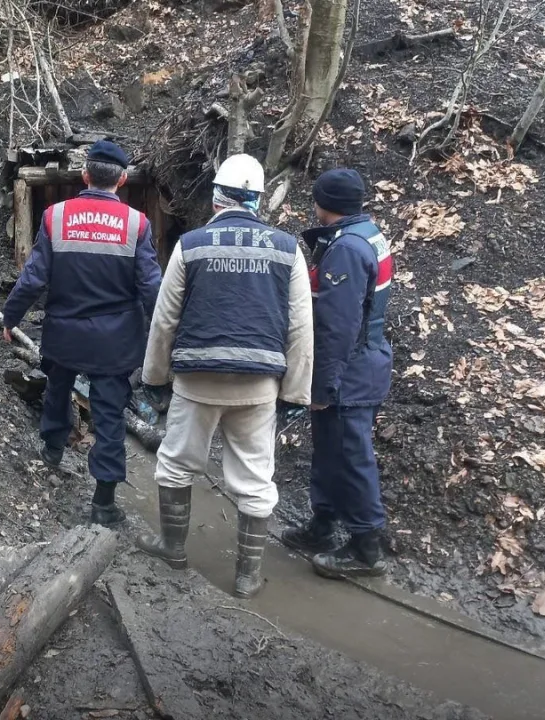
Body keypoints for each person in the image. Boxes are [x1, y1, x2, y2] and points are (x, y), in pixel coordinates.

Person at [134, 154, 313, 598]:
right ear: (258, 200)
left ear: (217, 198)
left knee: (175, 464)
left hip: (197, 382)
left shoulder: (191, 245)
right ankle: (248, 577)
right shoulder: (287, 249)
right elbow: (300, 328)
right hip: (258, 386)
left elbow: (165, 318)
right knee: (255, 480)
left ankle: (173, 551)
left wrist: (154, 376)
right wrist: (295, 393)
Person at [1, 140, 162, 528]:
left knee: (57, 388)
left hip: (64, 334)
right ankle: (103, 502)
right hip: (115, 343)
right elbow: (152, 288)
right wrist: (163, 337)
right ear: (122, 180)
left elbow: (33, 277)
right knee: (109, 416)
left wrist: (11, 318)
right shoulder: (137, 224)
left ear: (85, 175)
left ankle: (52, 448)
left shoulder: (56, 217)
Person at [281, 168, 393, 579]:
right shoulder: (367, 232)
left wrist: (324, 385)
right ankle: (322, 525)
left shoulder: (346, 249)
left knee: (350, 456)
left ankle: (367, 548)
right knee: (330, 451)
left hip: (350, 373)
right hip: (363, 361)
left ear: (321, 203)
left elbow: (338, 325)